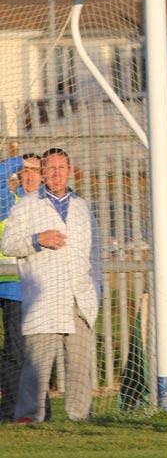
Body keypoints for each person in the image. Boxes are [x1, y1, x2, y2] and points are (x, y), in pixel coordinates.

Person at [1, 148, 102, 423]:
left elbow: (96, 255)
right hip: (43, 296)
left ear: (70, 170)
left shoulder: (83, 207)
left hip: (79, 296)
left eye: (61, 168)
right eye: (50, 168)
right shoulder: (26, 205)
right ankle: (29, 417)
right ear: (42, 172)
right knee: (37, 364)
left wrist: (96, 291)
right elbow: (8, 244)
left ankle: (80, 418)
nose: (56, 173)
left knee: (80, 364)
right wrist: (38, 240)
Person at [0, 150, 43, 421]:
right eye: (25, 171)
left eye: (35, 172)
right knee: (16, 352)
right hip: (10, 285)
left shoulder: (48, 207)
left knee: (33, 354)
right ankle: (11, 410)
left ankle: (32, 409)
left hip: (34, 288)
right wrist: (19, 161)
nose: (29, 177)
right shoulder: (8, 202)